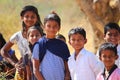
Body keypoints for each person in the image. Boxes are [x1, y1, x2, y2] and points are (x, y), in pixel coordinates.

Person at [1, 5, 43, 80]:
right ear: (22, 18)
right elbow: (3, 50)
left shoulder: (42, 36)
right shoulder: (17, 36)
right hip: (24, 71)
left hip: (41, 70)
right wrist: (15, 64)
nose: (29, 19)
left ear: (36, 18)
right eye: (27, 16)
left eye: (33, 17)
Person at [32, 12, 71, 80]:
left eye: (55, 26)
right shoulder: (39, 45)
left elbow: (67, 67)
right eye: (49, 26)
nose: (51, 29)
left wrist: (67, 77)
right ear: (44, 27)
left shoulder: (62, 45)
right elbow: (36, 70)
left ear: (59, 28)